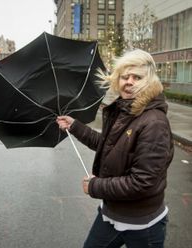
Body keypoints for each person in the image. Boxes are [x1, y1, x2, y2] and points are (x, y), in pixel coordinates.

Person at [56, 49, 174, 248]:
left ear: (150, 82)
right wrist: (74, 126)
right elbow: (109, 145)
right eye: (124, 76)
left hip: (142, 225)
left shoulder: (154, 123)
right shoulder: (123, 109)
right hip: (111, 214)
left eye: (136, 77)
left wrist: (95, 186)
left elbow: (142, 182)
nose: (129, 81)